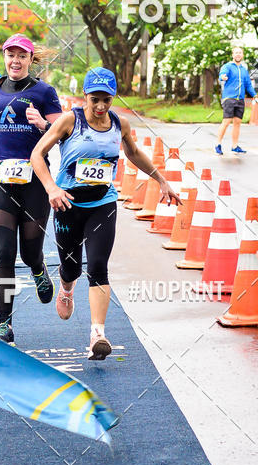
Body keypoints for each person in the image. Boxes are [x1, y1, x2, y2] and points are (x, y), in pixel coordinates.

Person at [31, 67, 180, 360]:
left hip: (103, 204)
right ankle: (66, 287)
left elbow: (133, 152)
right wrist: (51, 188)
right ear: (85, 96)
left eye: (106, 100)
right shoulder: (69, 121)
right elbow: (37, 153)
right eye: (94, 99)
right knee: (71, 267)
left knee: (98, 266)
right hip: (67, 204)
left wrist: (161, 180)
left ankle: (97, 334)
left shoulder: (119, 124)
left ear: (113, 98)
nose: (100, 106)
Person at [0, 35, 62, 344]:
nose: (15, 60)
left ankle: (38, 268)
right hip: (0, 178)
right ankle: (4, 323)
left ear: (30, 59)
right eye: (10, 54)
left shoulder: (44, 92)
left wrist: (42, 124)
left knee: (29, 252)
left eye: (21, 55)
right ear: (4, 57)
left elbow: (63, 131)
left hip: (35, 180)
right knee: (4, 252)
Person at [215, 46, 258, 155]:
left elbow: (248, 85)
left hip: (240, 99)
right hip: (229, 98)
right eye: (236, 52)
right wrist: (222, 77)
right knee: (226, 121)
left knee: (237, 122)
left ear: (242, 55)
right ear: (233, 55)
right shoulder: (228, 66)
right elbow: (222, 74)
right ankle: (218, 144)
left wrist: (254, 95)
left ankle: (234, 146)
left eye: (240, 52)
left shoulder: (244, 70)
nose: (238, 54)